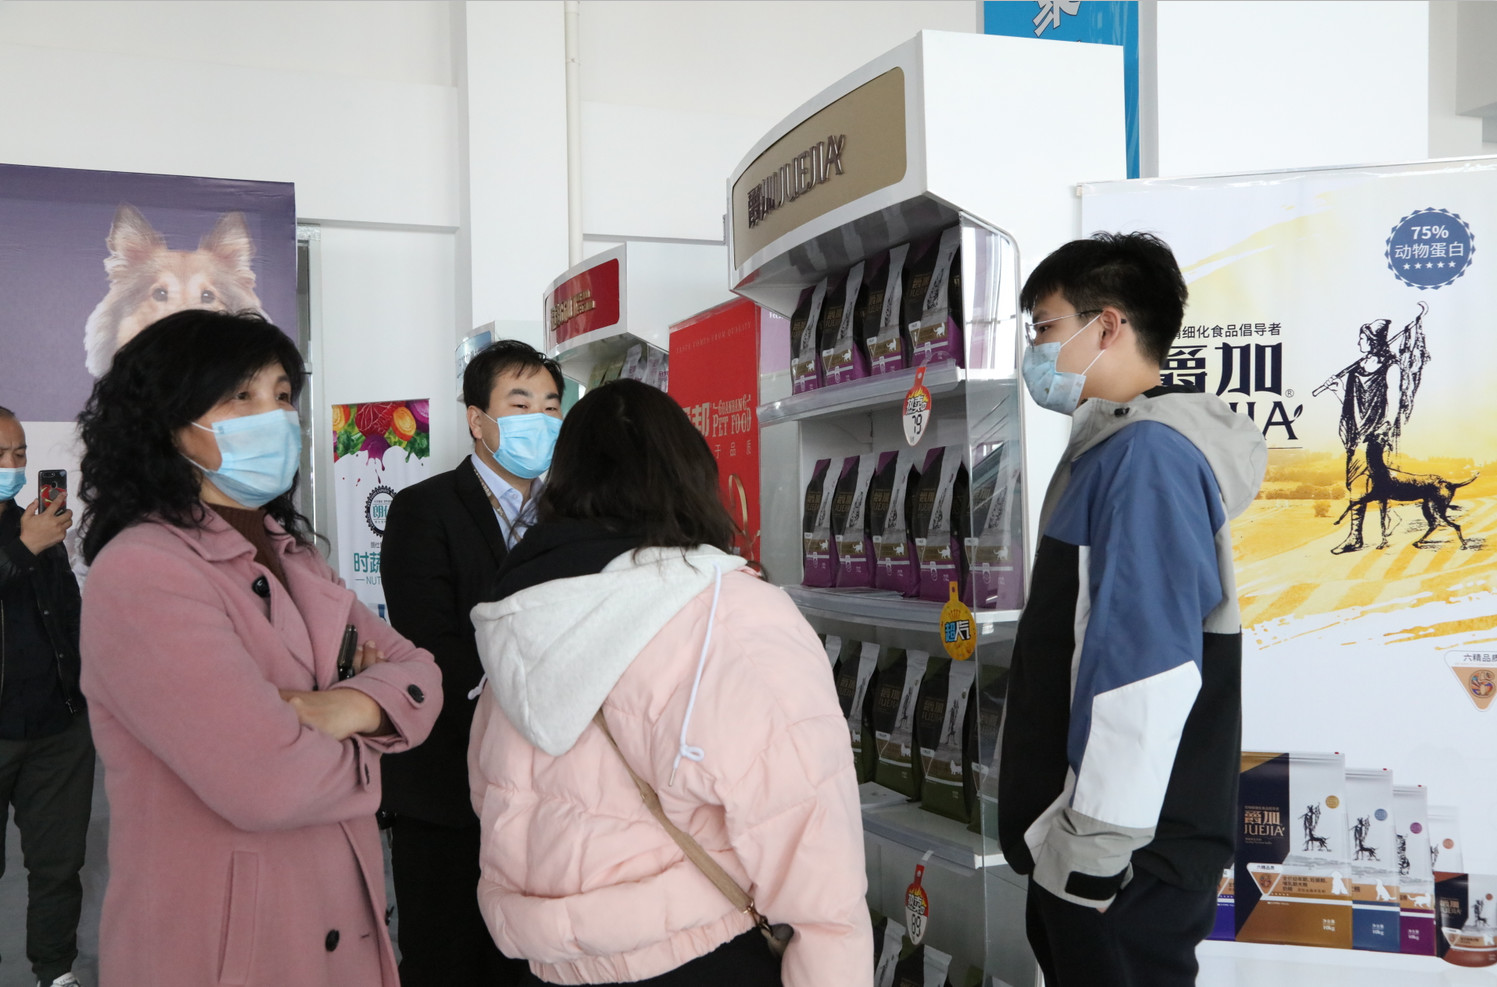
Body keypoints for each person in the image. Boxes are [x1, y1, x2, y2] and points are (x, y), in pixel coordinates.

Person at [75, 310, 442, 986]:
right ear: (169, 419)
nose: (272, 415)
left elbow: (421, 671)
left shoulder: (294, 554)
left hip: (337, 915)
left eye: (281, 394)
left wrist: (348, 708)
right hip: (226, 950)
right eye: (240, 396)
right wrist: (384, 731)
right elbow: (268, 784)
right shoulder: (145, 569)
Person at [467, 379, 871, 987]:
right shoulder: (731, 615)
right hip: (697, 955)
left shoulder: (517, 617)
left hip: (545, 964)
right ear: (691, 472)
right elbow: (815, 851)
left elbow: (493, 796)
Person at [996, 233, 1267, 987]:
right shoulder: (1114, 450)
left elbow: (1144, 673)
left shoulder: (1145, 458)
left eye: (1044, 327)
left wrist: (1090, 858)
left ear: (1107, 325)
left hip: (1122, 864)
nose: (1035, 350)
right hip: (1107, 850)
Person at [379, 339, 562, 984]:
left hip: (546, 792)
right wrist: (529, 699)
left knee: (529, 962)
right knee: (447, 960)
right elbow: (428, 641)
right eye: (520, 403)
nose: (539, 419)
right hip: (449, 789)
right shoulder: (423, 509)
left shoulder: (570, 514)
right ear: (477, 420)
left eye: (551, 405)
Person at [0, 408, 92, 987]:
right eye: (0, 454)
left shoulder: (36, 522)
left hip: (58, 727)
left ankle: (56, 972)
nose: (11, 464)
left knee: (59, 865)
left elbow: (68, 610)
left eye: (19, 453)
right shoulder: (28, 537)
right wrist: (22, 550)